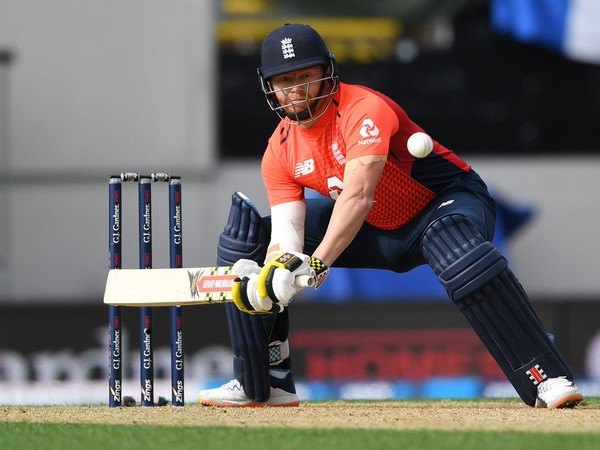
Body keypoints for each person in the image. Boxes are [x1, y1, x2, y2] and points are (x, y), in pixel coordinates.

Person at [198, 23, 583, 409]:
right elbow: (289, 233)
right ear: (269, 85)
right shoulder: (279, 150)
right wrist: (275, 273)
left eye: (305, 76)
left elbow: (359, 197)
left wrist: (312, 267)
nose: (295, 89)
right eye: (284, 80)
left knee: (457, 250)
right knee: (250, 240)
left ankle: (545, 377)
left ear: (326, 73)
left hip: (442, 204)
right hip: (377, 230)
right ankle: (262, 382)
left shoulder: (363, 109)